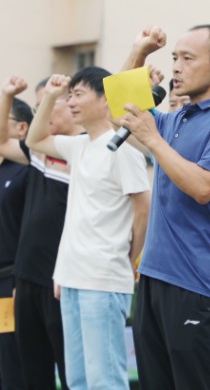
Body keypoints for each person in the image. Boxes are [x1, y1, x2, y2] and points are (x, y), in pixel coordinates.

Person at [120, 25, 210, 389]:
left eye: (187, 59)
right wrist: (140, 52)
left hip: (196, 284)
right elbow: (122, 109)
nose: (176, 67)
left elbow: (203, 187)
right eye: (174, 58)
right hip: (153, 277)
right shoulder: (176, 117)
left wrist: (152, 140)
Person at [25, 67, 151, 390]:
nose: (71, 103)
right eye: (69, 96)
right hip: (71, 278)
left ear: (104, 99)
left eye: (78, 94)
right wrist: (51, 95)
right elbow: (34, 139)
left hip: (103, 278)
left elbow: (144, 209)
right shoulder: (79, 146)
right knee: (77, 380)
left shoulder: (122, 149)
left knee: (105, 380)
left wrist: (129, 259)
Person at [0, 76, 81, 390]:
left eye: (50, 100)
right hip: (28, 279)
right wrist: (7, 95)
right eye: (37, 105)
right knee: (32, 374)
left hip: (64, 280)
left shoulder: (89, 149)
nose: (41, 111)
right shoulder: (38, 152)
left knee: (73, 372)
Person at [0, 84, 32, 390]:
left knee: (11, 361)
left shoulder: (29, 168)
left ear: (22, 128)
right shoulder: (3, 169)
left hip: (12, 282)